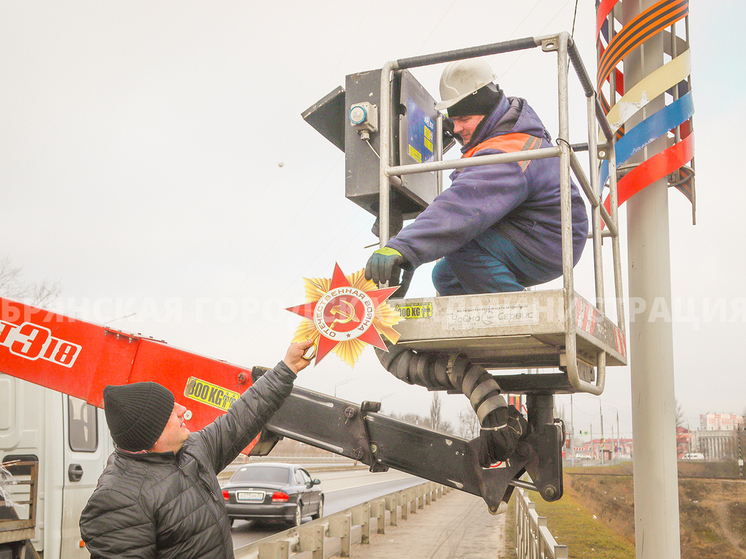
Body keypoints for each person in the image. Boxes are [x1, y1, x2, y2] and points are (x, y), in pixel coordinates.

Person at [365, 58, 588, 296]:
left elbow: (463, 206)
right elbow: (463, 206)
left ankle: (519, 316)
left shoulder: (508, 150)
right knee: (446, 276)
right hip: (534, 234)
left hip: (548, 242)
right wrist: (409, 246)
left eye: (465, 119)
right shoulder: (503, 137)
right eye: (454, 120)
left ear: (488, 111)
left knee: (464, 248)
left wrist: (403, 247)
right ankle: (486, 326)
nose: (457, 128)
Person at [79, 339, 315, 559]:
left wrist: (287, 368)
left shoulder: (192, 450)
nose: (182, 409)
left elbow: (241, 418)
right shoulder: (118, 500)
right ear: (151, 432)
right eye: (170, 410)